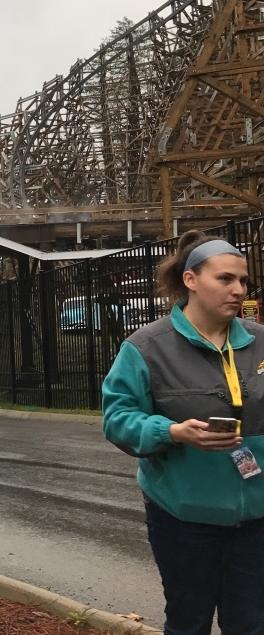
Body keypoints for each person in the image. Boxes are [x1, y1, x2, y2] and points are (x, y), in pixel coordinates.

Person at [103, 230, 264, 635]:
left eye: (243, 281)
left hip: (257, 517)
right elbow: (117, 419)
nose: (238, 290)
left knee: (251, 623)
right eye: (225, 279)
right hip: (183, 517)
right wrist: (172, 431)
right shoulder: (146, 347)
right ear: (191, 280)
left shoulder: (261, 342)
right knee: (189, 622)